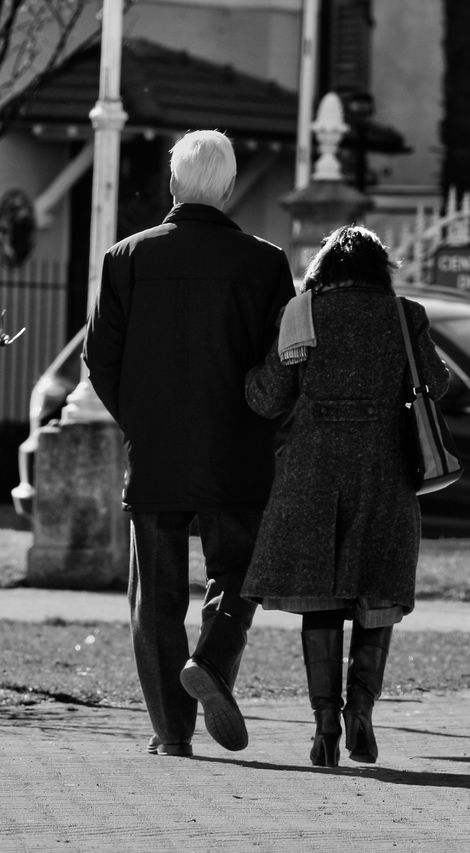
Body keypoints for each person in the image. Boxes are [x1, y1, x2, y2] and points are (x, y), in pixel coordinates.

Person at [84, 130, 296, 756]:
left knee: (157, 594)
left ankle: (171, 732)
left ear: (174, 183)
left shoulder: (125, 258)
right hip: (237, 447)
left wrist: (141, 420)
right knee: (237, 572)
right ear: (228, 189)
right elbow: (282, 361)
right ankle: (211, 657)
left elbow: (102, 358)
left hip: (156, 453)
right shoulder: (264, 263)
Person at [241, 225, 450, 767]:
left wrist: (243, 376)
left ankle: (325, 726)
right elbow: (438, 382)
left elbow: (268, 399)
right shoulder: (406, 315)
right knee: (377, 595)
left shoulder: (302, 313)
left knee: (322, 597)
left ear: (323, 269)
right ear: (381, 270)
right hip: (385, 473)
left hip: (312, 475)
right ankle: (362, 711)